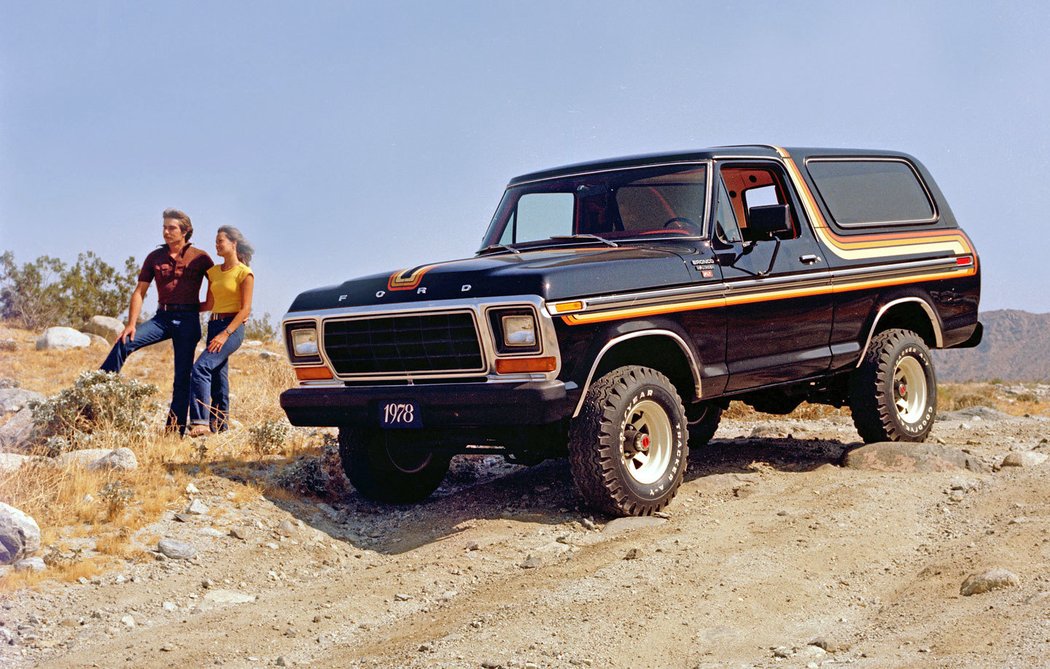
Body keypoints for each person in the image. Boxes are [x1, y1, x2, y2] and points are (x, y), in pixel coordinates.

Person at [101, 209, 213, 434]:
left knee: (182, 376)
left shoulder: (201, 257)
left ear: (185, 231)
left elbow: (221, 282)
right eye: (164, 227)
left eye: (171, 228)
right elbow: (139, 292)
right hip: (162, 318)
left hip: (189, 320)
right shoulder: (154, 257)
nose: (166, 232)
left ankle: (174, 431)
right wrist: (131, 324)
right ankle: (97, 390)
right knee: (124, 343)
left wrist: (206, 306)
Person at [187, 226, 254, 437]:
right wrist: (183, 306)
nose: (217, 245)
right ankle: (220, 425)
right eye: (215, 241)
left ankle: (200, 422)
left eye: (220, 241)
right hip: (214, 324)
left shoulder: (244, 273)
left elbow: (245, 309)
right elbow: (209, 303)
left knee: (200, 368)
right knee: (218, 375)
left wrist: (226, 333)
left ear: (233, 244)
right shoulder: (214, 272)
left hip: (232, 328)